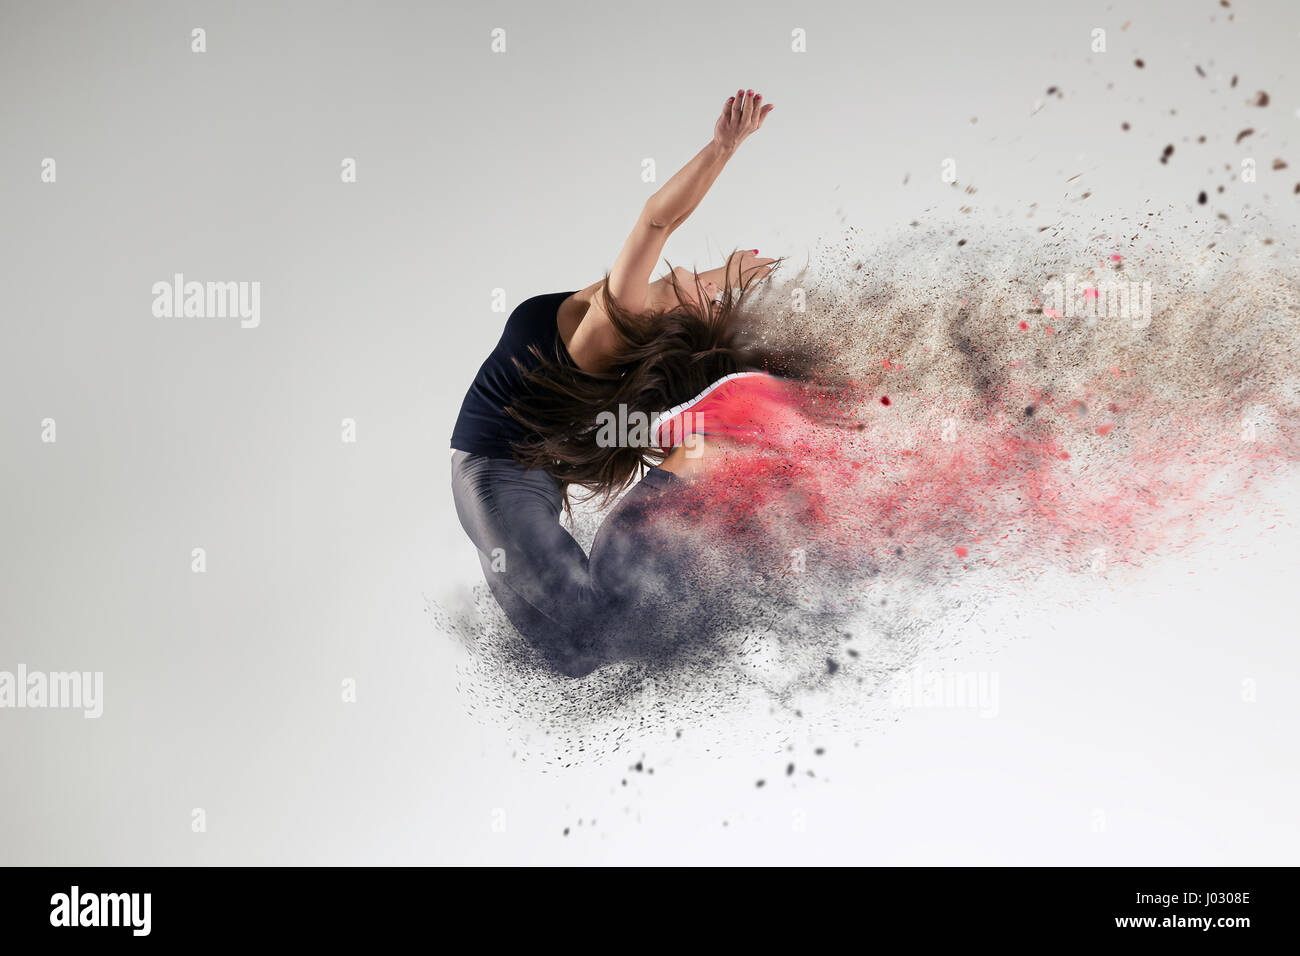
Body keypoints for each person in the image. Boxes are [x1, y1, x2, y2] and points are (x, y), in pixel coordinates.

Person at [450, 89, 779, 676]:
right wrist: (724, 147)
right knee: (576, 653)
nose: (682, 286)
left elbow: (694, 289)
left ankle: (689, 463)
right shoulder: (614, 320)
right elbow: (656, 218)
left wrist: (735, 274)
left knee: (585, 643)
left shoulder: (635, 314)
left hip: (524, 473)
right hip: (497, 476)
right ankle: (689, 462)